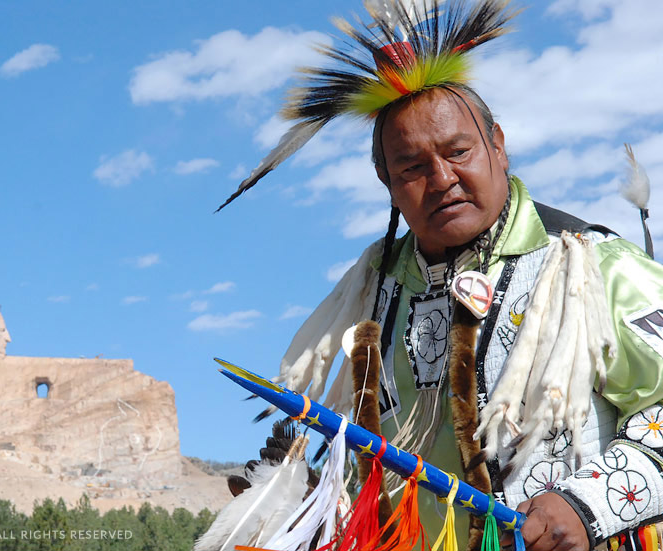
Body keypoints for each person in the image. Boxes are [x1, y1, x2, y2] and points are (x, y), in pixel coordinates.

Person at [219, 2, 663, 550]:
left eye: (459, 151)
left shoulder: (591, 266)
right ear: (385, 179)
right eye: (411, 166)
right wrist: (311, 508)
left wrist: (589, 503)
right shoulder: (373, 292)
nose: (442, 178)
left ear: (498, 145)